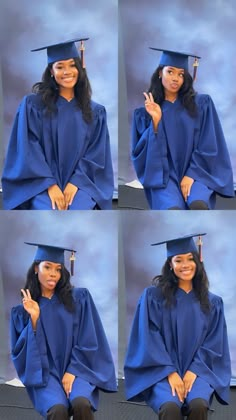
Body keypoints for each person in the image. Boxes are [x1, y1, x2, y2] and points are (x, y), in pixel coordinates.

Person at [124, 234, 231, 419]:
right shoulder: (153, 297)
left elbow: (214, 343)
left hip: (200, 370)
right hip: (161, 370)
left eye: (190, 259)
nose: (185, 265)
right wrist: (170, 372)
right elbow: (149, 338)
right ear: (170, 265)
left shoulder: (213, 302)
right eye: (178, 260)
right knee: (170, 407)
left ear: (198, 262)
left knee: (198, 404)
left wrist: (194, 371)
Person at [2, 38, 114, 210]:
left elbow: (96, 154)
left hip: (82, 182)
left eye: (72, 65)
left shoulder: (95, 112)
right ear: (51, 72)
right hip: (40, 182)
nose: (67, 71)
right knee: (48, 208)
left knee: (78, 210)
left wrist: (76, 183)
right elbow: (28, 148)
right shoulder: (33, 105)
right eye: (60, 66)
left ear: (80, 68)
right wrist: (49, 184)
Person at [10, 243, 117, 419]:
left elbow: (89, 338)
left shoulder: (79, 299)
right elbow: (25, 355)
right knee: (58, 409)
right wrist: (35, 318)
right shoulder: (23, 312)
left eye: (58, 269)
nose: (53, 274)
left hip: (79, 367)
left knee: (81, 403)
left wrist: (73, 370)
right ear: (36, 268)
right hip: (45, 374)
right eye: (47, 267)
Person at [131, 48, 234, 209]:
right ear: (160, 73)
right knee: (173, 209)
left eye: (181, 74)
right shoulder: (145, 113)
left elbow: (209, 144)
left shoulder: (201, 104)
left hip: (199, 172)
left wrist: (192, 174)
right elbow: (144, 156)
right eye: (170, 72)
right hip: (163, 176)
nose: (176, 78)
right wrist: (156, 121)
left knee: (198, 205)